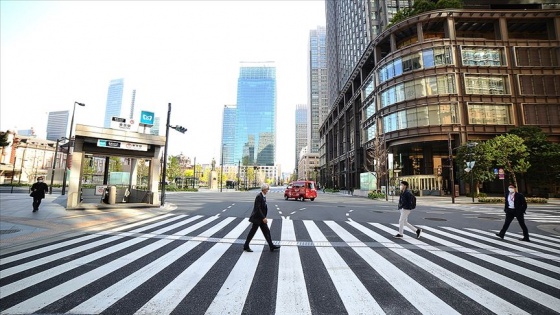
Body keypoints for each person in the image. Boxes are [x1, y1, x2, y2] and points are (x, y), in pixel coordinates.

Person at [244, 183, 281, 252]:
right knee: (252, 232)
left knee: (266, 231)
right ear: (264, 189)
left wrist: (263, 217)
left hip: (261, 218)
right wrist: (263, 217)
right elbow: (258, 208)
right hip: (257, 218)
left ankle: (271, 245)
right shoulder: (259, 196)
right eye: (267, 189)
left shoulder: (263, 196)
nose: (268, 191)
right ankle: (246, 246)